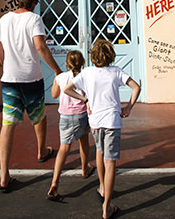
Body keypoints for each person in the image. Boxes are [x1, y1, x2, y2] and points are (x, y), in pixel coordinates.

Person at [0, 0, 62, 192]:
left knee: (8, 124)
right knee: (39, 116)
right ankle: (42, 151)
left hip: (10, 80)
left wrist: (5, 65)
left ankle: (4, 176)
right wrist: (57, 70)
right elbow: (40, 46)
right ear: (33, 3)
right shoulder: (34, 19)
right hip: (31, 78)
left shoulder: (4, 19)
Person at [64, 39, 141, 219]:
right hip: (112, 122)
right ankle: (107, 206)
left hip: (95, 122)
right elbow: (136, 87)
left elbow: (67, 89)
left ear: (93, 56)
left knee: (99, 152)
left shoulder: (88, 73)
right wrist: (128, 107)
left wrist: (85, 100)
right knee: (110, 162)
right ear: (110, 55)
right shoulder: (116, 72)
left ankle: (101, 187)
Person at [47, 50, 95, 201]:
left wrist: (57, 81)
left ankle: (55, 182)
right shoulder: (84, 77)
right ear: (82, 63)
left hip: (65, 117)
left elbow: (54, 94)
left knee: (63, 149)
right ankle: (85, 168)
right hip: (81, 115)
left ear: (67, 63)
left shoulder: (61, 77)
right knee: (83, 142)